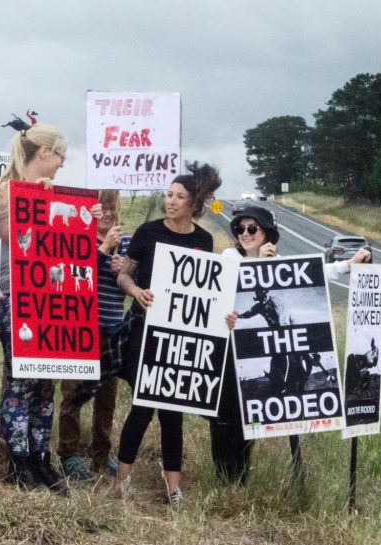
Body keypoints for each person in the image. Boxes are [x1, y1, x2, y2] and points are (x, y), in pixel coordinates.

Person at [214, 206, 372, 484]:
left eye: (253, 229)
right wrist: (260, 266)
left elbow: (314, 272)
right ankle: (224, 476)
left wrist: (349, 264)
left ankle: (239, 480)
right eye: (240, 229)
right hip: (230, 350)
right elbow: (235, 286)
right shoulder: (229, 256)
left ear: (267, 233)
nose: (245, 234)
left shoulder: (279, 262)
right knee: (227, 416)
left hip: (275, 347)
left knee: (255, 412)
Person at [114, 162, 221, 503]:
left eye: (179, 197)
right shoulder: (147, 233)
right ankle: (122, 479)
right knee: (143, 405)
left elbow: (209, 293)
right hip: (145, 330)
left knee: (173, 412)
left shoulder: (204, 241)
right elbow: (123, 275)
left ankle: (174, 488)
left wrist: (223, 318)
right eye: (168, 195)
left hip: (182, 338)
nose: (171, 202)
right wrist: (136, 292)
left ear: (194, 203)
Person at [0, 123, 73, 495]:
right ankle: (19, 460)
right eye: (60, 157)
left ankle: (42, 459)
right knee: (20, 379)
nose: (60, 166)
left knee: (46, 382)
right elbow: (12, 236)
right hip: (15, 296)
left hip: (51, 298)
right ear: (44, 153)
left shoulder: (55, 191)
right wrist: (37, 200)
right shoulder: (6, 189)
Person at [56, 190, 129, 480]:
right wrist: (101, 251)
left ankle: (101, 454)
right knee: (73, 392)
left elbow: (130, 283)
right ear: (92, 210)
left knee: (106, 396)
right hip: (79, 327)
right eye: (102, 208)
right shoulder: (78, 237)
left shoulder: (126, 243)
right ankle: (68, 453)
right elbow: (73, 274)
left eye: (113, 208)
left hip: (111, 329)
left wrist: (123, 271)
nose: (108, 213)